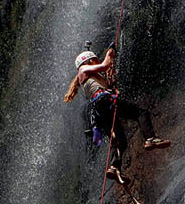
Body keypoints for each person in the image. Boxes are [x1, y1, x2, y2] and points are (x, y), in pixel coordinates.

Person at [64, 42, 170, 183]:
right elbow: (105, 65)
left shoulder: (91, 77)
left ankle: (115, 167)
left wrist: (112, 82)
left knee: (120, 141)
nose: (97, 62)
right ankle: (150, 138)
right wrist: (110, 52)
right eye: (94, 60)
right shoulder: (83, 69)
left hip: (100, 109)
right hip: (104, 101)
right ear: (88, 61)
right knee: (140, 112)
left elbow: (108, 81)